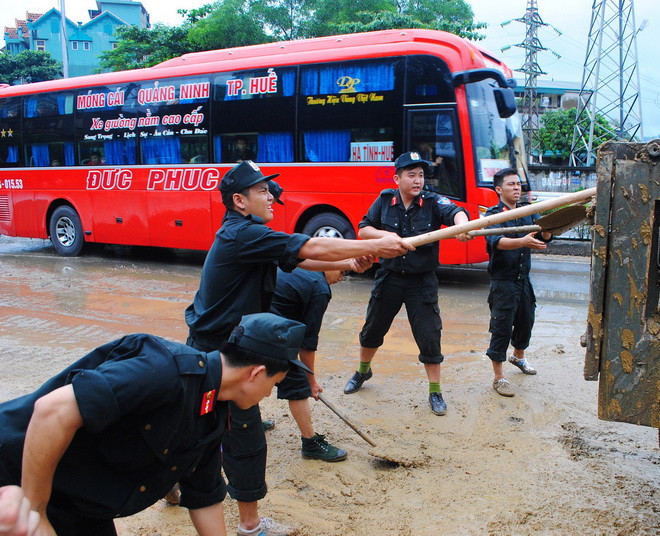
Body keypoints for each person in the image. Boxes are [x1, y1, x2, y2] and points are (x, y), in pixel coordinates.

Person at [185, 160, 412, 536]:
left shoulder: (247, 234)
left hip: (217, 347)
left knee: (202, 430)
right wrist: (377, 242)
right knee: (244, 437)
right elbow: (308, 244)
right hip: (219, 354)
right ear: (239, 201)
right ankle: (250, 526)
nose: (271, 196)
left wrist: (351, 262)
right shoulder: (242, 234)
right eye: (262, 191)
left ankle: (177, 490)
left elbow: (302, 258)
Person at [0, 313, 311, 536]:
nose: (271, 394)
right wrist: (34, 511)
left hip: (78, 501)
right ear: (256, 373)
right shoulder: (165, 370)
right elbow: (51, 410)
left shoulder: (213, 412)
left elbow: (204, 496)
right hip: (18, 474)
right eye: (275, 383)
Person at [343, 151, 471, 416]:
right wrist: (387, 237)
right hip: (389, 277)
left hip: (421, 281)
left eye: (421, 175)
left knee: (429, 336)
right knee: (372, 330)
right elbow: (364, 229)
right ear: (397, 178)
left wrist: (462, 226)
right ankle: (362, 372)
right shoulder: (384, 201)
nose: (417, 180)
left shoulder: (433, 201)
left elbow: (456, 212)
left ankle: (435, 390)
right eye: (411, 175)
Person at [484, 168, 551, 397]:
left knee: (526, 320)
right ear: (498, 189)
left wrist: (550, 230)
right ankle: (499, 377)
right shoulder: (493, 215)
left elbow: (543, 235)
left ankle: (518, 357)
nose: (516, 188)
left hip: (524, 280)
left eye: (518, 184)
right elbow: (497, 242)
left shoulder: (527, 212)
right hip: (503, 281)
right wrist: (522, 241)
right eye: (511, 184)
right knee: (501, 327)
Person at [269, 268, 346, 462]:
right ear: (329, 263)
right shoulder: (319, 288)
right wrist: (310, 382)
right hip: (266, 327)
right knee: (297, 382)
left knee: (252, 371)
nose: (341, 278)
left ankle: (247, 421)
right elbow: (307, 344)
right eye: (342, 271)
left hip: (246, 320)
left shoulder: (299, 266)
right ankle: (310, 443)